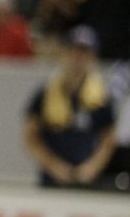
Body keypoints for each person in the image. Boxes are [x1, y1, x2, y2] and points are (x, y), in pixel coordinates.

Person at [23, 24, 117, 189]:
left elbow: (108, 139)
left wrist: (92, 167)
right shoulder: (47, 93)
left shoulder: (101, 97)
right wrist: (54, 166)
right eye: (74, 50)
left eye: (84, 52)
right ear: (64, 52)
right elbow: (30, 137)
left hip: (87, 180)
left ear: (93, 56)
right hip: (51, 179)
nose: (78, 57)